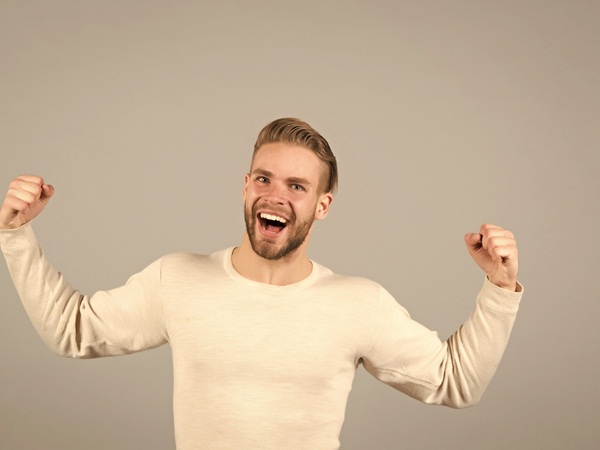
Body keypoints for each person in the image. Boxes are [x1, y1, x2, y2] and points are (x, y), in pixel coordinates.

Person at [0, 118, 522, 449]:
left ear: (322, 205)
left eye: (297, 186)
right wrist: (15, 234)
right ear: (246, 186)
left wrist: (499, 289)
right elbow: (71, 330)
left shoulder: (358, 304)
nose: (275, 195)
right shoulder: (178, 279)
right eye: (264, 178)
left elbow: (455, 382)